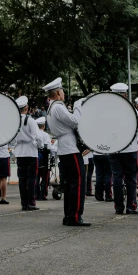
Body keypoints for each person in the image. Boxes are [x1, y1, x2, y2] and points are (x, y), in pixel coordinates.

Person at [44, 77, 90, 226]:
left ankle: (69, 215)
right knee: (77, 182)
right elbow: (75, 120)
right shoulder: (57, 107)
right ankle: (75, 216)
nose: (64, 92)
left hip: (65, 147)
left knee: (70, 183)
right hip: (69, 147)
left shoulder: (52, 107)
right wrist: (78, 106)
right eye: (62, 90)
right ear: (58, 92)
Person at [108, 83, 138, 215]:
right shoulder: (131, 110)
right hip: (130, 149)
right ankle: (131, 206)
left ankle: (118, 207)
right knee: (131, 178)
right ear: (125, 94)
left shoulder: (107, 112)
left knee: (117, 177)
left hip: (114, 149)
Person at [12, 96, 44, 211]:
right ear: (26, 108)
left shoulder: (15, 121)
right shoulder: (30, 120)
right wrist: (40, 146)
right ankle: (31, 202)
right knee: (31, 179)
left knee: (22, 179)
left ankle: (23, 203)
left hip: (20, 151)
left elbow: (11, 139)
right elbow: (38, 136)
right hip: (31, 151)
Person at [35, 117, 53, 201]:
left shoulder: (34, 134)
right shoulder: (46, 135)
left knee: (36, 177)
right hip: (45, 158)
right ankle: (43, 195)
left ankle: (36, 194)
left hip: (36, 157)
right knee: (45, 177)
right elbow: (49, 147)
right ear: (44, 126)